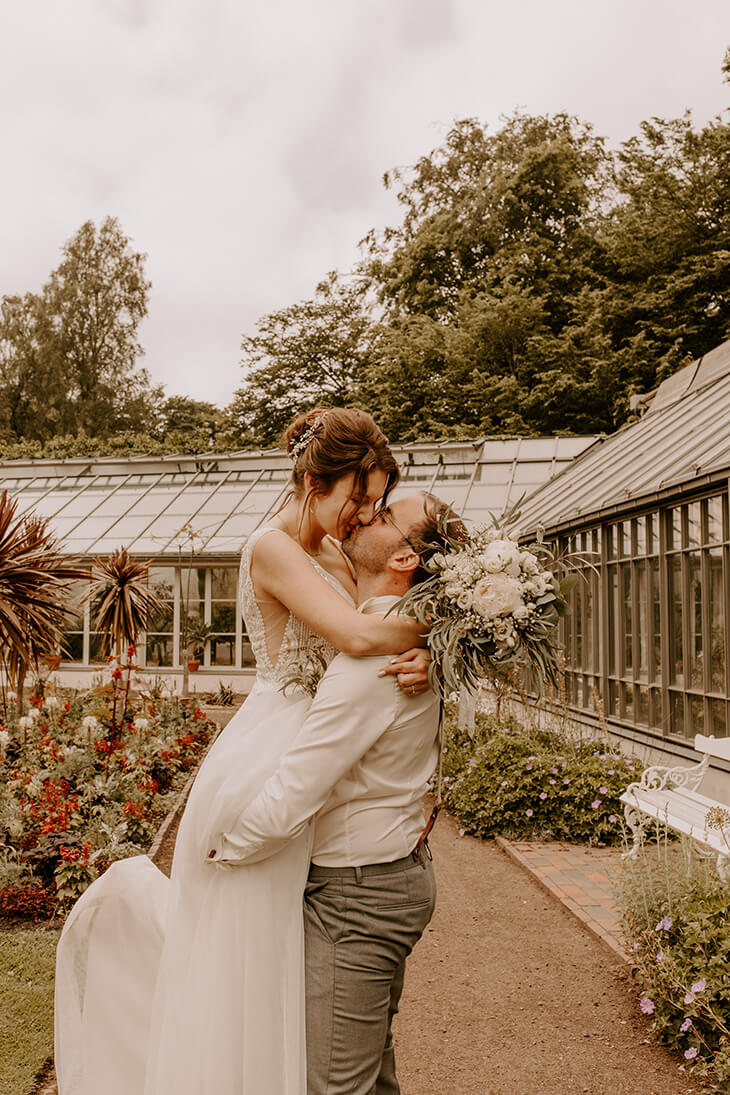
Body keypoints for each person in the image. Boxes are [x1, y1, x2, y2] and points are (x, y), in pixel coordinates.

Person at [54, 407, 430, 1095]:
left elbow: (372, 623)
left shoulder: (339, 547)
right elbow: (353, 633)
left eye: (376, 502)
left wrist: (419, 658)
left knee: (289, 962)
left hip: (311, 751)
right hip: (267, 759)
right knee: (246, 956)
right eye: (359, 497)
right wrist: (443, 630)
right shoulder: (272, 545)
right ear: (315, 480)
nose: (365, 513)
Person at [207, 490, 462, 1095]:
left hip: (356, 894)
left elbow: (295, 792)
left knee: (333, 1085)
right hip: (386, 875)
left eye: (383, 515)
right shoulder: (409, 648)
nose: (365, 513)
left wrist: (220, 849)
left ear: (404, 559)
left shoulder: (369, 663)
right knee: (370, 1073)